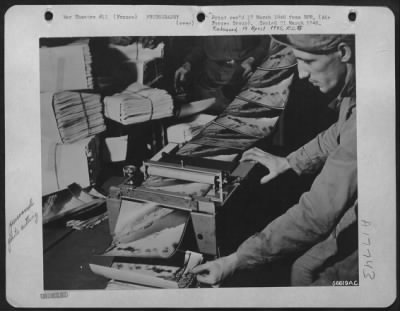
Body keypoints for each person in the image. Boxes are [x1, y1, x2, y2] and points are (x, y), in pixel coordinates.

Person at [192, 34, 357, 286]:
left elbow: (316, 214)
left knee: (306, 273)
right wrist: (291, 162)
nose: (301, 74)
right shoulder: (355, 90)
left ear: (344, 52)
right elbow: (337, 133)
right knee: (302, 266)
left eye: (309, 61)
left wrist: (235, 260)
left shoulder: (368, 119)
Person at [174, 36, 270, 113]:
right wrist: (187, 64)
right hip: (210, 79)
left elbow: (265, 41)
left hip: (239, 76)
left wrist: (251, 60)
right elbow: (201, 46)